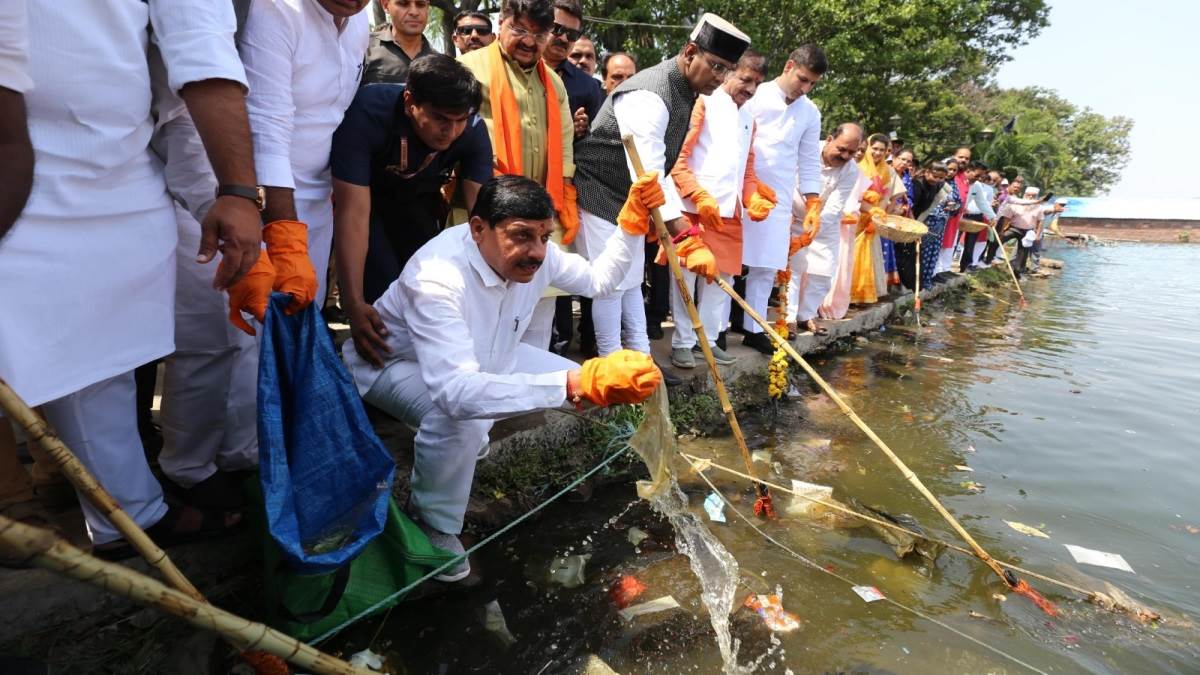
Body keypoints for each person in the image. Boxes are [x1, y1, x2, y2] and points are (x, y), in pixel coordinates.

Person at [0, 1, 263, 552]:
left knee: (109, 358)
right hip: (21, 169)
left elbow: (199, 54)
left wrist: (235, 193)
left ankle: (127, 510)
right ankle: (126, 516)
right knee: (64, 358)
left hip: (119, 165)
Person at [342, 174, 664, 580]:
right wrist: (569, 386)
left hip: (490, 358)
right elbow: (454, 392)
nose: (536, 252)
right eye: (521, 237)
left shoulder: (539, 255)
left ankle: (460, 452)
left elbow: (600, 281)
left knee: (588, 381)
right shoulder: (437, 277)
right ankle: (434, 522)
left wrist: (632, 224)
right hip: (391, 366)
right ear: (478, 229)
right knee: (464, 419)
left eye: (544, 237)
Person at [573, 13, 750, 358]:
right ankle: (613, 367)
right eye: (715, 66)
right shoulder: (650, 95)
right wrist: (687, 236)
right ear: (689, 52)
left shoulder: (687, 90)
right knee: (610, 286)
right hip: (600, 193)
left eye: (726, 69)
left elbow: (657, 174)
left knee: (630, 285)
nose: (720, 77)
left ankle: (642, 363)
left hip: (632, 200)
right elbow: (649, 175)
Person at [331, 55, 492, 369]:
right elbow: (352, 212)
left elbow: (483, 214)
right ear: (409, 102)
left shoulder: (471, 128)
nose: (451, 131)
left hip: (417, 203)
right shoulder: (369, 111)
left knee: (427, 285)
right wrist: (352, 303)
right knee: (380, 288)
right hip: (367, 200)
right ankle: (371, 375)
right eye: (441, 119)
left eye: (460, 119)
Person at [459, 0, 579, 354]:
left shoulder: (553, 81)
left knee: (537, 304)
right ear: (501, 22)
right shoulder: (469, 69)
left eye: (539, 34)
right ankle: (480, 389)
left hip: (543, 212)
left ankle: (528, 385)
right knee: (482, 304)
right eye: (520, 30)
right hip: (483, 210)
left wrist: (566, 191)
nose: (529, 41)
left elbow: (566, 139)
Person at [239, 0, 371, 311]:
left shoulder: (359, 21)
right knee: (240, 343)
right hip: (257, 204)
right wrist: (285, 240)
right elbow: (266, 128)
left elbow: (336, 116)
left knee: (301, 326)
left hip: (317, 205)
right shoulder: (275, 9)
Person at [667, 49, 773, 368]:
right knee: (686, 277)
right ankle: (683, 342)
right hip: (694, 208)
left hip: (730, 212)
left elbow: (748, 168)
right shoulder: (704, 102)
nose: (751, 89)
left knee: (721, 282)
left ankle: (709, 341)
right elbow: (678, 159)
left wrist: (753, 196)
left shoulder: (749, 119)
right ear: (729, 73)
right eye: (745, 79)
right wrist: (698, 194)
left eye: (757, 83)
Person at [740, 44, 826, 354]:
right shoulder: (755, 94)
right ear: (789, 66)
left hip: (779, 197)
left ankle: (753, 327)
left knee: (766, 268)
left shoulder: (810, 111)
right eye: (803, 79)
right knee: (729, 265)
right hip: (742, 190)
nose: (806, 88)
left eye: (812, 84)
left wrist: (813, 201)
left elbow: (809, 160)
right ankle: (717, 331)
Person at [788, 123, 865, 335]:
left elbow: (835, 205)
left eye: (851, 152)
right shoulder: (805, 150)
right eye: (842, 149)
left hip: (826, 222)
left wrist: (812, 230)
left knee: (822, 272)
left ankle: (806, 315)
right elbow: (785, 181)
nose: (845, 155)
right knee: (793, 269)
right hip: (791, 216)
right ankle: (788, 317)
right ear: (829, 139)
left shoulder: (851, 170)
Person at [844, 133, 892, 308]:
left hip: (872, 217)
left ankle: (858, 295)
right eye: (875, 148)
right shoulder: (857, 166)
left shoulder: (885, 171)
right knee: (849, 255)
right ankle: (844, 296)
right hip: (854, 216)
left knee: (864, 257)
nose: (878, 153)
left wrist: (878, 215)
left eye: (882, 150)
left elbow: (886, 195)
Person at [362, 0, 438, 85]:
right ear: (386, 5)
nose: (414, 12)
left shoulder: (439, 62)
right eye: (403, 4)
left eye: (421, 4)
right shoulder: (363, 48)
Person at [994, 187, 1060, 276]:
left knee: (1023, 253)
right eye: (1028, 195)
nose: (1030, 197)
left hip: (1027, 232)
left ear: (1036, 197)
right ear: (1024, 195)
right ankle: (991, 257)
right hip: (1013, 228)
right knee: (999, 239)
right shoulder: (1017, 204)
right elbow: (1006, 218)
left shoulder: (1039, 207)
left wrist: (1037, 235)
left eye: (1033, 196)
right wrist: (1001, 230)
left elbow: (1040, 222)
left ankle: (1018, 271)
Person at [937, 145, 972, 276]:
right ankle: (937, 271)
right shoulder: (946, 172)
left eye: (967, 158)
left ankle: (944, 270)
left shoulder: (963, 176)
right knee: (940, 243)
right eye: (960, 157)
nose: (963, 160)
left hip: (956, 217)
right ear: (953, 156)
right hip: (942, 215)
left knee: (950, 243)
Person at [959, 160, 997, 271]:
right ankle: (941, 270)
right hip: (956, 215)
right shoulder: (958, 180)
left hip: (970, 216)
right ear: (968, 170)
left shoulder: (976, 185)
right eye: (977, 175)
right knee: (952, 243)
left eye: (982, 176)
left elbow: (982, 202)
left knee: (970, 243)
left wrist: (992, 216)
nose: (979, 178)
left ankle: (965, 267)